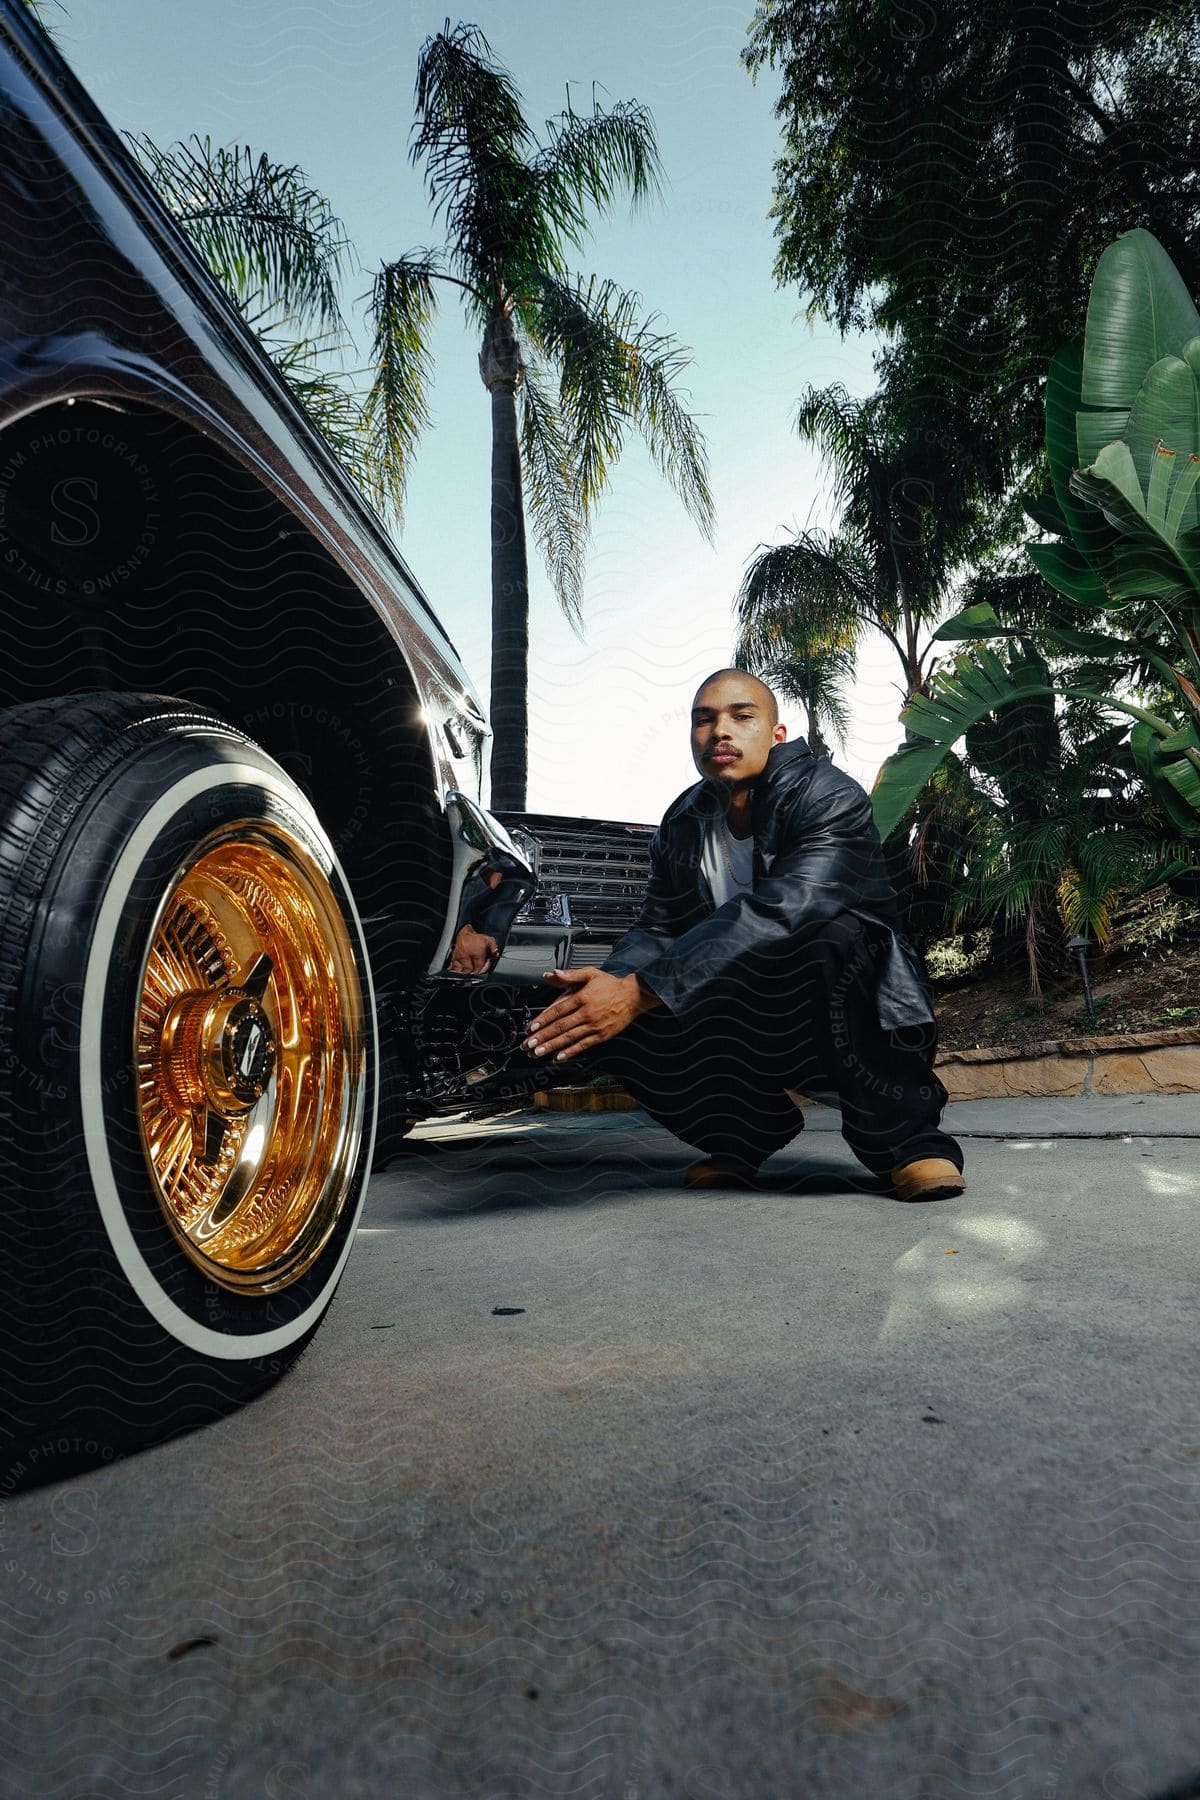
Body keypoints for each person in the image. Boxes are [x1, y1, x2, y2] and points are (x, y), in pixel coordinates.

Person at [522, 669, 965, 1200]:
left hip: (838, 1003)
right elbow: (658, 927)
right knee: (596, 1006)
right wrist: (613, 985)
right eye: (703, 720)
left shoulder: (828, 795)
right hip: (737, 1011)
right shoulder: (683, 821)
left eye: (741, 716)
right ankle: (743, 1134)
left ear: (777, 735)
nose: (719, 732)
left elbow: (790, 909)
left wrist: (641, 991)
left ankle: (910, 1145)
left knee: (839, 938)